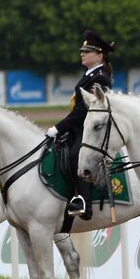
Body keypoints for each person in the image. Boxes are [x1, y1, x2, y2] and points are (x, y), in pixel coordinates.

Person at [48, 30, 116, 219]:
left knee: (77, 154)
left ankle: (83, 201)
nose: (82, 54)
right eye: (82, 51)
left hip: (94, 127)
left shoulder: (100, 77)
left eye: (87, 51)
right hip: (83, 125)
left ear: (99, 55)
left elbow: (84, 112)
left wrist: (59, 127)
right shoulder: (90, 74)